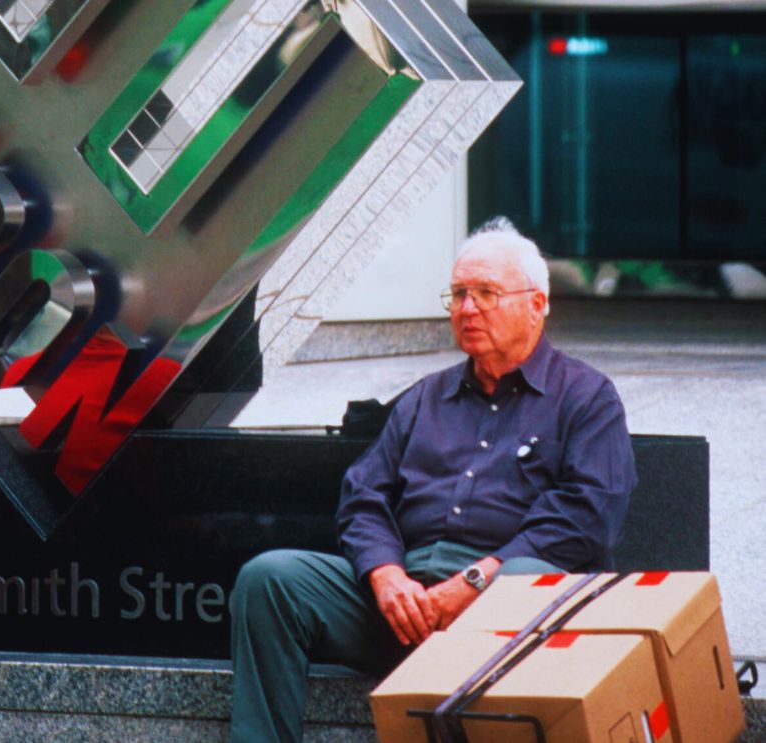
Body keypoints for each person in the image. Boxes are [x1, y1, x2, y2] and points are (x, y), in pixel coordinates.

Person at [228, 220, 637, 742]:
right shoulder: (425, 398)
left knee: (527, 579)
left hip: (507, 610)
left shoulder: (586, 397)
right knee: (271, 578)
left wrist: (475, 581)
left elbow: (589, 517)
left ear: (538, 304)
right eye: (460, 294)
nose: (468, 309)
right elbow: (364, 496)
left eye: (487, 293)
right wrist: (386, 576)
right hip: (405, 604)